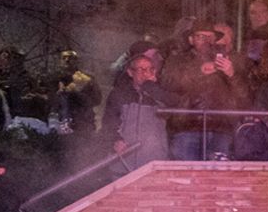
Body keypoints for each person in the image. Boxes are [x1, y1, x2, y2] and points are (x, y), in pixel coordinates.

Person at [162, 23, 244, 160]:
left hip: (221, 129)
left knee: (217, 172)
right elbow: (168, 84)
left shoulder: (227, 61)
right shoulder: (177, 60)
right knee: (186, 172)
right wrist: (199, 71)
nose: (206, 41)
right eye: (200, 36)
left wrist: (232, 75)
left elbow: (244, 96)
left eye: (210, 37)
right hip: (187, 128)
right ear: (191, 40)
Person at [102, 52, 173, 166]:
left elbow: (174, 110)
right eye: (141, 69)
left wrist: (153, 89)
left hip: (154, 161)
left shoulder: (162, 93)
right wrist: (115, 140)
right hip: (124, 161)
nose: (146, 73)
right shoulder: (119, 94)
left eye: (150, 69)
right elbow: (109, 122)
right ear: (130, 72)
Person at [49, 49, 102, 132]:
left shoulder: (86, 79)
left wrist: (77, 95)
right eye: (64, 58)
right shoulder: (52, 79)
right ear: (60, 61)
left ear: (76, 61)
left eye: (70, 58)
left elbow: (97, 99)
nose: (67, 60)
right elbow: (49, 100)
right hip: (58, 123)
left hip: (81, 122)